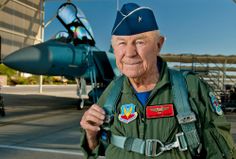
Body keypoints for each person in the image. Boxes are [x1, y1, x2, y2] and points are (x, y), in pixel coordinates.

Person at [80, 3, 236, 159]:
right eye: (121, 43)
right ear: (114, 48)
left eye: (139, 42)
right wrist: (90, 133)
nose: (129, 53)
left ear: (159, 44)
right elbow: (96, 149)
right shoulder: (112, 93)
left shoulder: (191, 88)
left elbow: (221, 152)